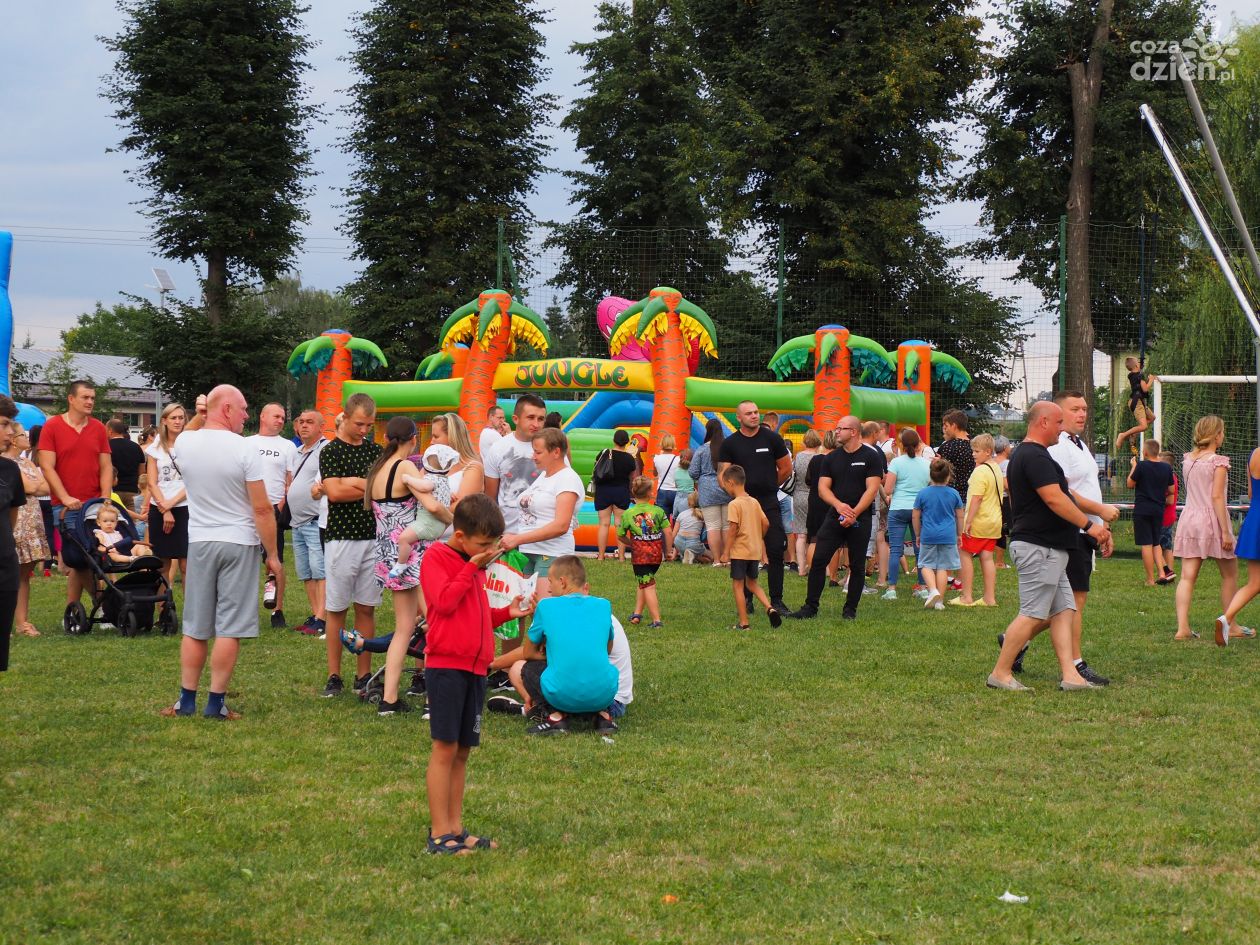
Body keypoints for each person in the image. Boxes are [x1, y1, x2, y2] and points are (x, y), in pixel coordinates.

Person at [160, 385, 281, 719]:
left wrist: (201, 415)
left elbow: (190, 432)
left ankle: (185, 701)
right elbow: (262, 509)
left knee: (196, 625)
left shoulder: (185, 442)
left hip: (199, 541)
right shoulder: (245, 449)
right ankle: (215, 704)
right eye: (242, 409)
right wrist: (272, 554)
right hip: (239, 541)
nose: (246, 415)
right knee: (230, 627)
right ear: (227, 409)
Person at [421, 494, 532, 851]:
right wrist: (473, 566)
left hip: (474, 669)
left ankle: (455, 828)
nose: (489, 551)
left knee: (463, 750)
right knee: (444, 748)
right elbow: (444, 603)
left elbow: (475, 611)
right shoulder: (439, 557)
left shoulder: (474, 562)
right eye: (483, 545)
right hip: (446, 666)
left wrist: (505, 615)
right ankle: (439, 832)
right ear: (460, 537)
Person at [987, 400, 1108, 692]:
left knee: (1064, 610)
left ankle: (1071, 675)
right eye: (1057, 423)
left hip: (1050, 547)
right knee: (1033, 613)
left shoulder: (1032, 456)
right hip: (1039, 548)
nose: (1061, 428)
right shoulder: (1034, 457)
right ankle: (1001, 673)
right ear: (1042, 422)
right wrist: (1090, 526)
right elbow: (1055, 498)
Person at [1019, 389, 1120, 686]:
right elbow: (1063, 493)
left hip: (1086, 530)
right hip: (1072, 531)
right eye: (1075, 409)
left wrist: (1102, 525)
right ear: (1056, 415)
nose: (1082, 414)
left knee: (1064, 605)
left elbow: (1086, 487)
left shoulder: (1079, 444)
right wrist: (1097, 514)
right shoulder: (1057, 446)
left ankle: (1016, 640)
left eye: (1085, 409)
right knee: (1071, 603)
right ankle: (1075, 663)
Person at [369, 418, 453, 714]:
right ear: (413, 438)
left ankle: (389, 699)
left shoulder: (378, 468)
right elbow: (430, 505)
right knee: (437, 625)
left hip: (391, 556)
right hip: (416, 555)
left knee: (403, 628)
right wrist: (452, 517)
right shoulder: (404, 467)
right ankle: (433, 700)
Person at [319, 393, 382, 698]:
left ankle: (364, 673)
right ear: (345, 417)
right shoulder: (330, 451)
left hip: (372, 536)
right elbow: (334, 493)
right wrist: (366, 485)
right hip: (342, 537)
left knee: (366, 608)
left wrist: (353, 482)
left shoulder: (376, 450)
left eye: (369, 424)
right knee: (337, 608)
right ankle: (334, 674)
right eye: (360, 423)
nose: (364, 430)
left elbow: (382, 489)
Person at [36, 380, 112, 613]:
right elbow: (47, 466)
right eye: (85, 397)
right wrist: (65, 497)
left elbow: (106, 466)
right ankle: (105, 605)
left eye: (92, 398)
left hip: (94, 505)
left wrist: (106, 500)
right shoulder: (53, 426)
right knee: (80, 558)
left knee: (86, 559)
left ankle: (73, 611)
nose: (90, 401)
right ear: (71, 399)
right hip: (66, 507)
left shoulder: (98, 427)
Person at [1173, 415, 1248, 644]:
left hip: (1189, 518)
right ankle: (1231, 624)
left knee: (1187, 577)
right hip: (1212, 520)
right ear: (1217, 435)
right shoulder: (1219, 461)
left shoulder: (1188, 459)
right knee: (1230, 574)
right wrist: (1226, 531)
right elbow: (1216, 497)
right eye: (1222, 432)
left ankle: (1182, 628)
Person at [718, 401, 793, 615]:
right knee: (744, 553)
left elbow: (786, 468)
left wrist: (769, 485)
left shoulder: (772, 439)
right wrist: (741, 496)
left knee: (776, 548)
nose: (754, 416)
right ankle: (747, 600)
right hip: (743, 506)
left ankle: (777, 601)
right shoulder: (730, 443)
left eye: (756, 412)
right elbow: (723, 477)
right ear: (739, 418)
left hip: (769, 502)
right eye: (749, 413)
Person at [497, 427, 583, 600]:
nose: (533, 456)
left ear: (556, 452)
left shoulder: (568, 479)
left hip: (552, 553)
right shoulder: (544, 476)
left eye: (538, 452)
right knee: (524, 607)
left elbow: (561, 525)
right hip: (529, 551)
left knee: (543, 612)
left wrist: (518, 539)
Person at [245, 403, 297, 629]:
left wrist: (280, 505)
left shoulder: (287, 446)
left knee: (274, 561)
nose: (280, 420)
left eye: (283, 418)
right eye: (276, 416)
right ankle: (244, 609)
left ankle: (278, 609)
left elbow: (290, 480)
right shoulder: (246, 443)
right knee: (245, 561)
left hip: (273, 509)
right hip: (246, 510)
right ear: (263, 416)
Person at [721, 465, 782, 630]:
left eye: (725, 485)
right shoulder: (754, 501)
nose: (725, 488)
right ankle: (769, 607)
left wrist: (726, 552)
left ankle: (744, 623)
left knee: (738, 586)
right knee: (753, 583)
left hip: (739, 551)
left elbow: (733, 529)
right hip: (753, 550)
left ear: (731, 482)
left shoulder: (734, 504)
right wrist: (759, 536)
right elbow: (766, 523)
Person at [286, 409, 328, 636]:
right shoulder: (297, 452)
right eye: (301, 422)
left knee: (320, 571)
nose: (304, 426)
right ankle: (315, 615)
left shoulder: (326, 449)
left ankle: (323, 617)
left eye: (310, 422)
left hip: (314, 520)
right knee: (306, 573)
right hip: (297, 521)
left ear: (321, 426)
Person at [6, 425, 48, 637]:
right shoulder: (7, 463)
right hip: (17, 521)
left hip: (31, 520)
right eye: (23, 435)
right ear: (13, 439)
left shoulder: (27, 461)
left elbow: (44, 487)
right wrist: (32, 485)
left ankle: (22, 622)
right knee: (8, 573)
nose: (28, 438)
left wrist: (32, 485)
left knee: (24, 574)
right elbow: (32, 488)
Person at [392, 444, 459, 578]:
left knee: (404, 539)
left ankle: (401, 564)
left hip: (427, 522)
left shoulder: (431, 479)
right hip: (440, 525)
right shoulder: (444, 480)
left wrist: (408, 479)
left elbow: (424, 487)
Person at [953, 433, 1003, 607]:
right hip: (994, 521)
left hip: (979, 521)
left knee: (964, 553)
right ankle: (989, 598)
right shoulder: (995, 467)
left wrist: (968, 521)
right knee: (987, 557)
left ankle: (966, 596)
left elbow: (976, 498)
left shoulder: (979, 471)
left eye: (976, 451)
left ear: (988, 451)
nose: (973, 454)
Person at [881, 428, 931, 601]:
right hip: (919, 509)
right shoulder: (926, 464)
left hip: (898, 508)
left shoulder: (896, 463)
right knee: (920, 550)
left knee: (895, 549)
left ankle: (892, 589)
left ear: (901, 444)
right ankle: (923, 587)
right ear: (918, 444)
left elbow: (888, 489)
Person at [616, 475, 671, 627]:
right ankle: (637, 614)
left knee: (648, 585)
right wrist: (668, 551)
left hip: (640, 557)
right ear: (649, 493)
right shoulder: (658, 511)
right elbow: (668, 532)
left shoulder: (628, 514)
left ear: (633, 493)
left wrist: (631, 543)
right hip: (655, 556)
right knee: (644, 582)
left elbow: (620, 535)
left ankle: (656, 620)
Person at [1218, 444, 1260, 643]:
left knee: (1255, 583)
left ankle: (1226, 618)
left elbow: (1251, 494)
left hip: (1255, 519)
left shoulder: (1254, 454)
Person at [144, 403, 190, 585]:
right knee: (162, 564)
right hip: (160, 508)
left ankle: (191, 612)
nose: (178, 422)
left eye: (181, 418)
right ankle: (163, 609)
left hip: (186, 507)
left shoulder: (190, 445)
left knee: (186, 564)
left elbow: (192, 481)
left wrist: (172, 504)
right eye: (173, 418)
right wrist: (165, 509)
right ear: (164, 421)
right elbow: (151, 482)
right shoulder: (156, 446)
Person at [912, 458, 963, 610]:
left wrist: (917, 534)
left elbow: (915, 516)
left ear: (931, 475)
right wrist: (959, 534)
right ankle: (939, 601)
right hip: (948, 536)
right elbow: (960, 515)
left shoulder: (923, 493)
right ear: (948, 476)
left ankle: (932, 590)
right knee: (943, 567)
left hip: (928, 534)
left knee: (925, 564)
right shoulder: (954, 493)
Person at [1127, 439, 1175, 587]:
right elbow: (1172, 490)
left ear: (1145, 452)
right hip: (1158, 510)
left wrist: (1133, 467)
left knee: (1146, 544)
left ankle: (1150, 579)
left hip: (1143, 509)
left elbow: (1130, 484)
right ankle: (1162, 573)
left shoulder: (1141, 466)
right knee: (1156, 543)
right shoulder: (1166, 469)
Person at [0, 396, 26, 672]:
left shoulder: (9, 469)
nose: (11, 433)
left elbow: (12, 515)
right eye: (5, 424)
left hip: (5, 569)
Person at [589, 428, 636, 561]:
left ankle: (601, 556)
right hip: (621, 492)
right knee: (619, 525)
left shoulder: (604, 453)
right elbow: (631, 477)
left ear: (614, 440)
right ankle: (621, 556)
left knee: (603, 524)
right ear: (627, 442)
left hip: (603, 491)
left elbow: (596, 470)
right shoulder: (629, 459)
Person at [690, 419, 730, 566]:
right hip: (726, 488)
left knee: (712, 526)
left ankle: (717, 560)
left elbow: (693, 472)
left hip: (707, 490)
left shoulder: (701, 450)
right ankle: (728, 558)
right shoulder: (728, 448)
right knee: (726, 526)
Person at [791, 430, 821, 576]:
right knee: (816, 534)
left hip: (799, 496)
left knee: (801, 535)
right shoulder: (820, 458)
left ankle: (801, 568)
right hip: (816, 497)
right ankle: (819, 567)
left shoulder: (798, 457)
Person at [1116, 356, 1158, 453]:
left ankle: (1134, 433)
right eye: (1138, 362)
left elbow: (1140, 387)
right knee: (1144, 426)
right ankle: (1123, 435)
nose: (1140, 364)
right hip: (1137, 402)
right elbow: (1145, 389)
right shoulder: (1139, 376)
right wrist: (1151, 379)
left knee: (1152, 418)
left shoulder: (1134, 375)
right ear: (1135, 365)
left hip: (1139, 402)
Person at [106, 419, 145, 514]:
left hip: (112, 491)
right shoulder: (136, 447)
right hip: (132, 490)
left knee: (113, 521)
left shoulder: (107, 447)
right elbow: (142, 472)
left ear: (110, 431)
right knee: (132, 522)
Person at [670, 492, 709, 564]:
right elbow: (705, 533)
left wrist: (671, 549)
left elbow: (674, 534)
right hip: (694, 544)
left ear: (688, 503)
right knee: (710, 557)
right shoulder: (702, 515)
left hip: (679, 543)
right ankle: (696, 556)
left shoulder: (681, 514)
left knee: (680, 536)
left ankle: (680, 556)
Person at [1158, 449, 1178, 583]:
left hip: (1164, 517)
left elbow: (1169, 500)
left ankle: (1167, 570)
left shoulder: (1169, 478)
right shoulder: (1172, 476)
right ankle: (1169, 572)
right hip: (1168, 516)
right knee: (1166, 546)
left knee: (1159, 545)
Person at [993, 435, 1013, 570]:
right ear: (1005, 448)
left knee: (996, 528)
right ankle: (999, 561)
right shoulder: (1006, 463)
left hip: (992, 498)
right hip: (1004, 499)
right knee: (1003, 529)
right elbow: (1006, 484)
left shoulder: (992, 462)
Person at [653, 434, 681, 518]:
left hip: (662, 491)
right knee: (677, 520)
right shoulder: (678, 459)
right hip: (675, 491)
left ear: (662, 444)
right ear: (673, 445)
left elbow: (655, 474)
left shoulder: (656, 458)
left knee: (663, 521)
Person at [672, 448, 695, 520]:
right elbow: (696, 487)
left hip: (678, 497)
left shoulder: (676, 470)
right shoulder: (693, 472)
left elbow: (676, 485)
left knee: (676, 519)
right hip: (690, 498)